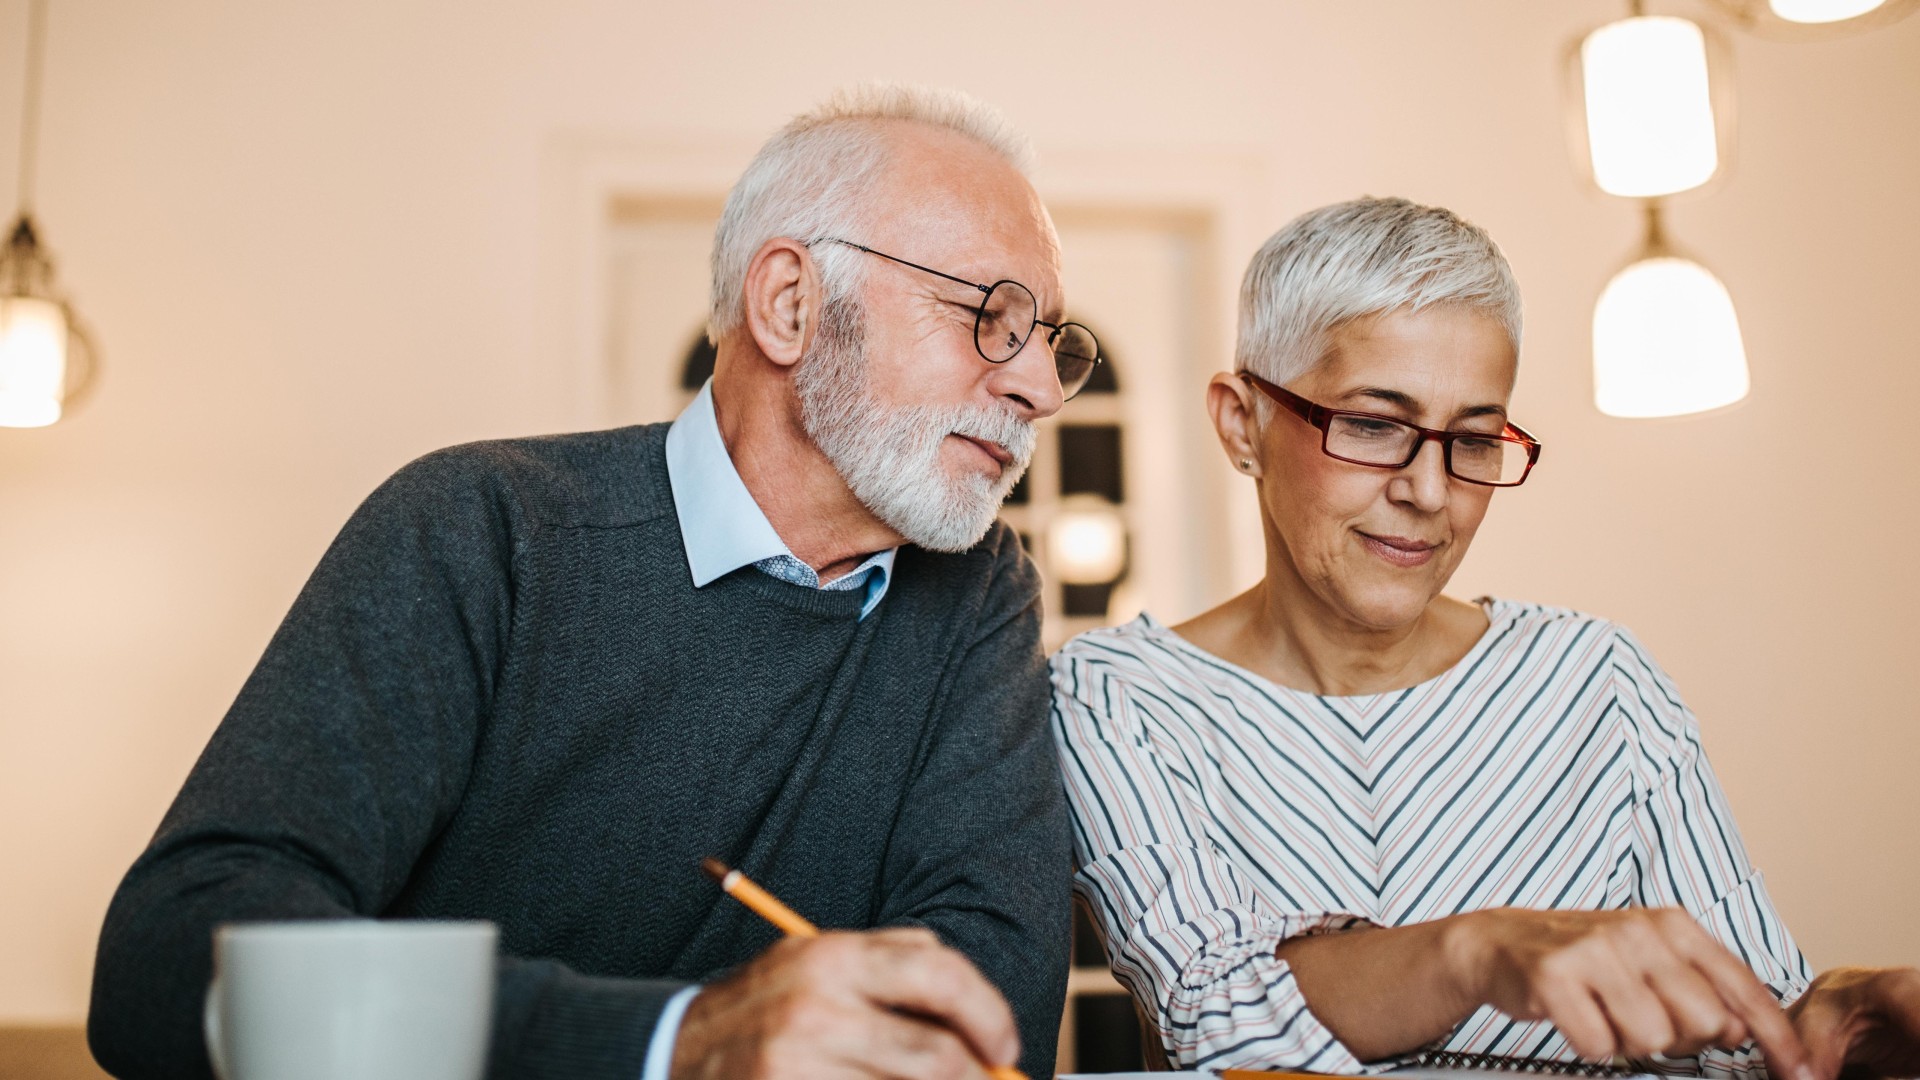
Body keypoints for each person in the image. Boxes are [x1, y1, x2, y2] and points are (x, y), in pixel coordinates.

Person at [90, 84, 1103, 1080]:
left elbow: (983, 1019)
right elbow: (169, 967)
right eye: (989, 314)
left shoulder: (977, 594)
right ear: (791, 305)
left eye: (1052, 339)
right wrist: (676, 1044)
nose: (1041, 388)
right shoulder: (482, 528)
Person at [1051, 197, 1920, 1079]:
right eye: (1374, 425)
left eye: (1472, 439)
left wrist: (1830, 1014)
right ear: (1243, 424)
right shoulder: (1117, 695)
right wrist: (1476, 952)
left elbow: (1746, 1026)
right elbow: (1218, 1015)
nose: (1431, 491)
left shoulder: (1598, 681)